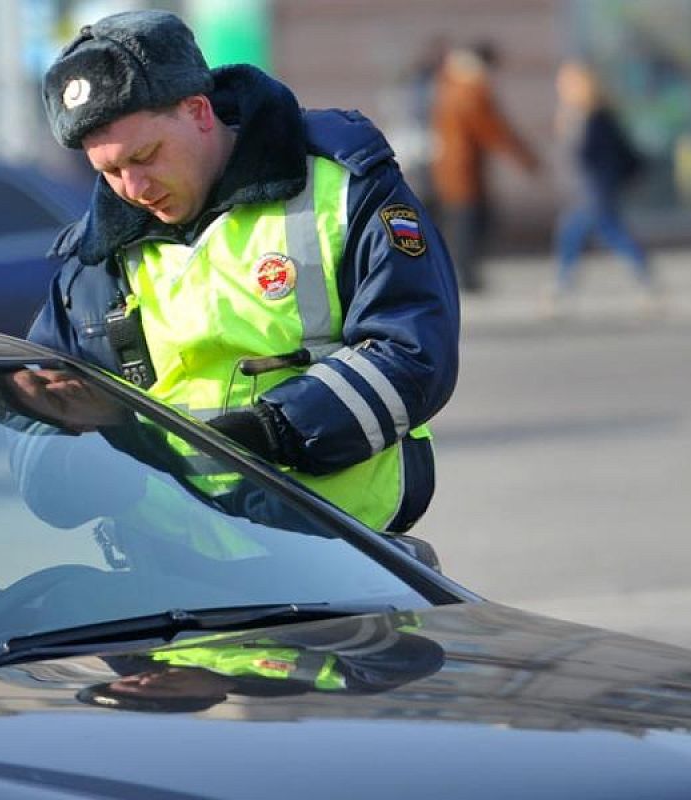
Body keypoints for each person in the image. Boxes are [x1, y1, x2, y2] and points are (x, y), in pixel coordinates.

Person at [30, 10, 459, 535]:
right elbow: (36, 431)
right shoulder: (91, 263)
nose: (134, 188)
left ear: (199, 110)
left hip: (341, 551)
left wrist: (277, 428)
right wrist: (88, 468)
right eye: (110, 171)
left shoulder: (343, 187)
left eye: (145, 155)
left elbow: (414, 351)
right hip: (175, 580)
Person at [76, 612, 445, 713]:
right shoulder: (295, 682)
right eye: (158, 695)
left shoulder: (121, 635)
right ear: (209, 697)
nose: (144, 683)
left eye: (127, 687)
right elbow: (415, 659)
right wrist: (287, 627)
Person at [545, 60, 656, 316]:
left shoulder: (596, 116)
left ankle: (562, 288)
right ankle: (645, 279)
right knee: (605, 233)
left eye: (566, 82)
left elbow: (597, 156)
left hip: (593, 190)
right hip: (582, 190)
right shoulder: (574, 114)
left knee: (575, 234)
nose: (560, 86)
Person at [430, 40, 539, 293]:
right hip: (463, 169)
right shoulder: (471, 89)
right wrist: (525, 159)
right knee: (469, 223)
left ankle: (465, 275)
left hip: (453, 167)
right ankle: (466, 277)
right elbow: (492, 129)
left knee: (463, 222)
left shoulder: (451, 82)